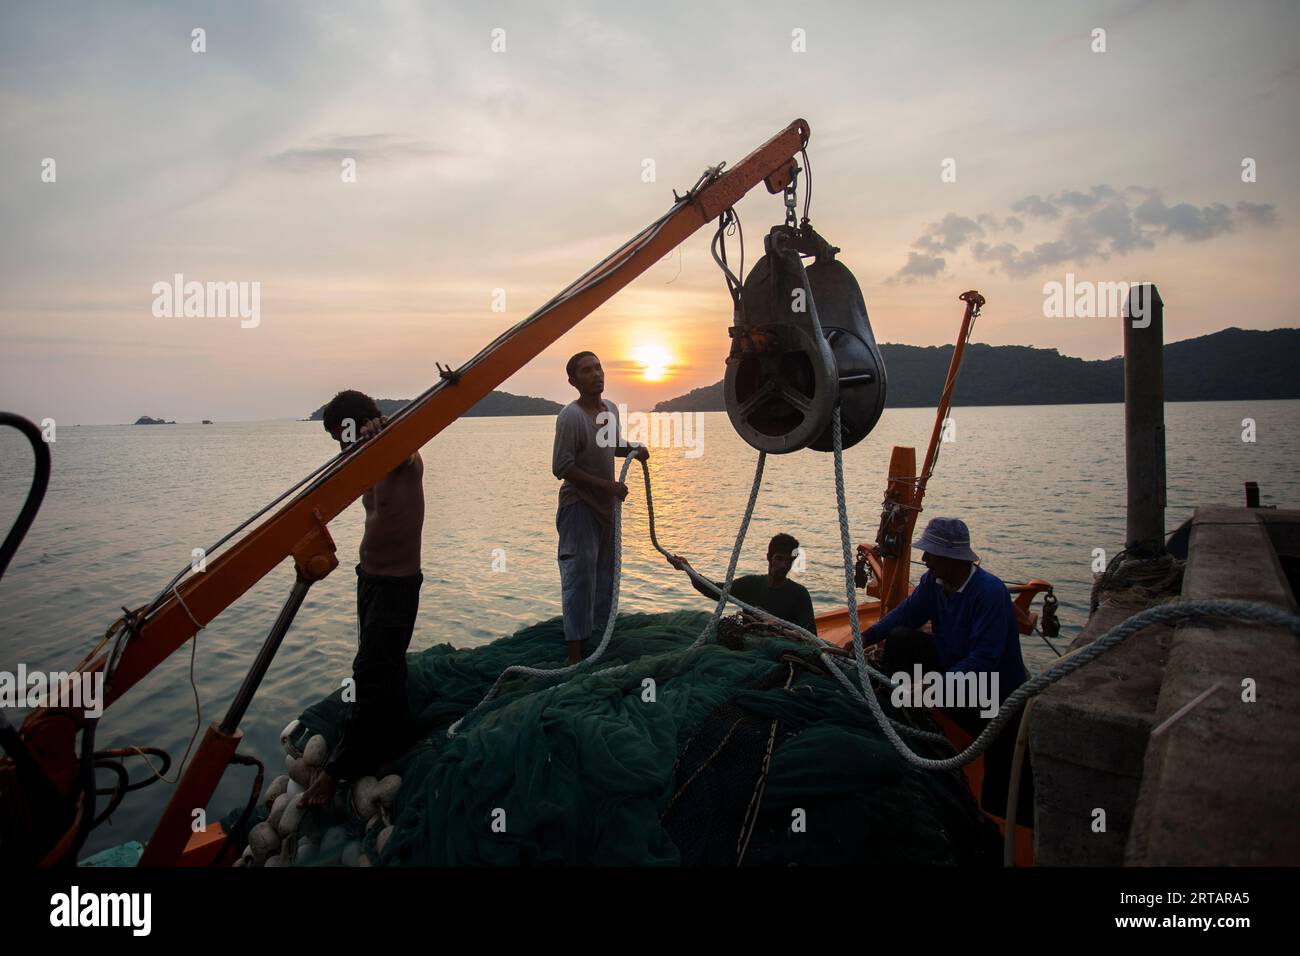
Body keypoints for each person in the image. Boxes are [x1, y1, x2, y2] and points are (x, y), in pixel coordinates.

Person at [860, 516, 1032, 821]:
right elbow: (907, 614)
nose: (924, 560)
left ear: (952, 559)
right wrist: (866, 636)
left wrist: (936, 685)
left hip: (994, 692)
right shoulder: (934, 584)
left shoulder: (990, 594)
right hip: (954, 670)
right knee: (900, 638)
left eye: (931, 554)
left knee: (1000, 796)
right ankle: (900, 715)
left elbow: (984, 660)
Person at [301, 390, 425, 807]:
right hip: (369, 579)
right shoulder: (359, 460)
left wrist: (384, 430)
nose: (344, 447)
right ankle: (395, 742)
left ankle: (336, 773)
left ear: (366, 423)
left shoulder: (399, 449)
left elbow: (405, 451)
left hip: (396, 586)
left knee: (368, 672)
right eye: (339, 440)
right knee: (385, 672)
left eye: (347, 435)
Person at [552, 352, 648, 665]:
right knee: (580, 578)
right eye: (586, 370)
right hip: (579, 507)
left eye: (598, 367)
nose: (596, 374)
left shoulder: (609, 411)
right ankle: (574, 658)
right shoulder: (571, 416)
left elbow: (611, 444)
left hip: (605, 508)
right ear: (573, 381)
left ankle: (597, 646)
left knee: (604, 578)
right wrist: (609, 487)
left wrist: (633, 449)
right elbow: (562, 466)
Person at [667, 532, 817, 636]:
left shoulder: (799, 594)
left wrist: (777, 626)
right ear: (769, 558)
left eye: (788, 561)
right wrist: (688, 569)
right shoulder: (750, 585)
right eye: (779, 559)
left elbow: (809, 635)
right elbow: (714, 591)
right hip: (747, 647)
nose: (784, 565)